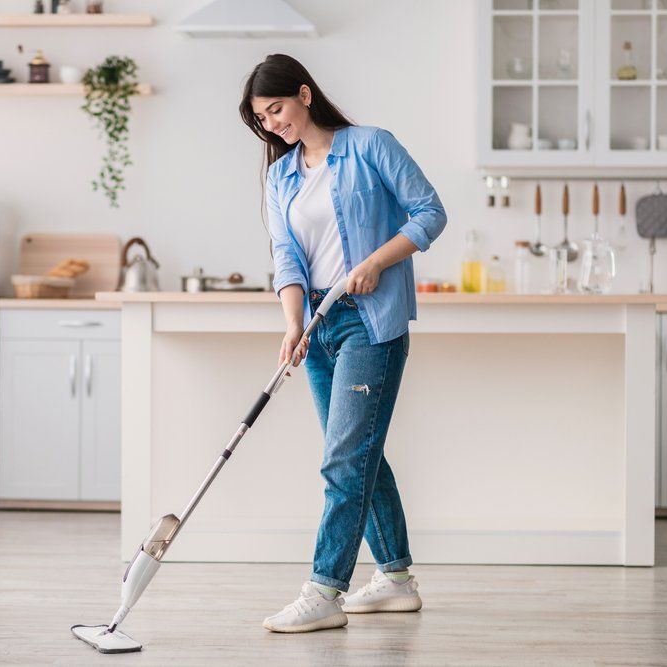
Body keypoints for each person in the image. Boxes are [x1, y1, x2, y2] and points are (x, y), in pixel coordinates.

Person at [239, 54, 447, 633]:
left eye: (275, 108)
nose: (271, 124)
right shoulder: (280, 176)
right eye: (261, 119)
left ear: (304, 94)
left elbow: (431, 213)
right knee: (360, 455)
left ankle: (325, 588)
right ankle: (396, 580)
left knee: (343, 459)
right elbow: (286, 257)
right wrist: (292, 324)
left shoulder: (371, 145)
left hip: (369, 320)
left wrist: (377, 262)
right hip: (318, 324)